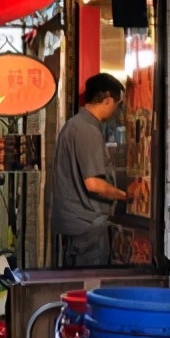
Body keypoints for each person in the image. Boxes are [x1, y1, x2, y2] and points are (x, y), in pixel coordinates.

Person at [51, 73, 127, 267]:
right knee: (89, 287)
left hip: (77, 227)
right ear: (108, 100)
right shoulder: (87, 130)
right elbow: (93, 184)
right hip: (87, 228)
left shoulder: (74, 125)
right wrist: (123, 195)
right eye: (118, 103)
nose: (117, 109)